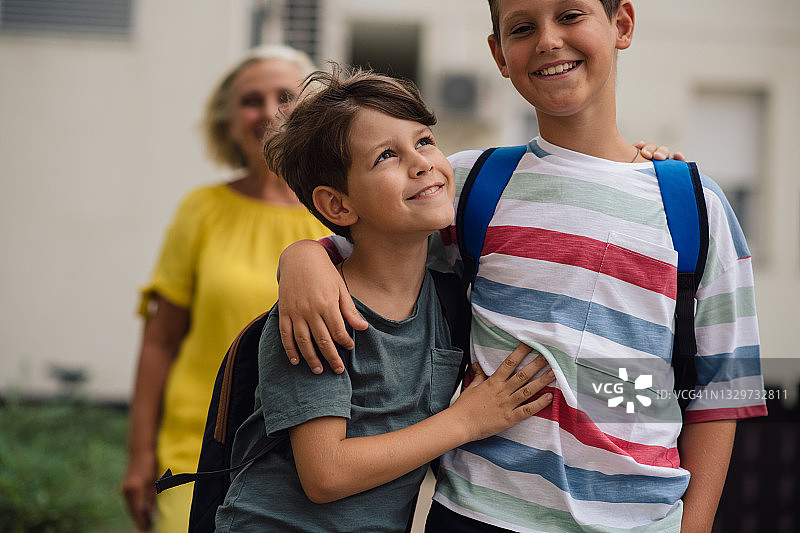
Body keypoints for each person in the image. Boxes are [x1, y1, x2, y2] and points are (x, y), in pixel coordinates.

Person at [275, 1, 768, 531]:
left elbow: (720, 393)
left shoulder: (696, 206)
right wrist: (301, 257)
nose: (549, 40)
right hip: (476, 513)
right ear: (499, 54)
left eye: (571, 15)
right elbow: (366, 251)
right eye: (523, 28)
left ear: (622, 24)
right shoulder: (465, 185)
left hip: (639, 519)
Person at [213, 67, 555, 532]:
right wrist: (468, 421)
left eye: (424, 141)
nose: (423, 163)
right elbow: (325, 473)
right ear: (337, 205)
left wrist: (643, 167)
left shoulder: (448, 299)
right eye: (387, 155)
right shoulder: (318, 315)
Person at [121, 44, 331, 532]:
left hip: (305, 451)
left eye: (285, 94)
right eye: (250, 100)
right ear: (229, 120)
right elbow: (160, 339)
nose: (268, 111)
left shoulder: (340, 210)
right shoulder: (201, 209)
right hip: (195, 448)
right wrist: (139, 453)